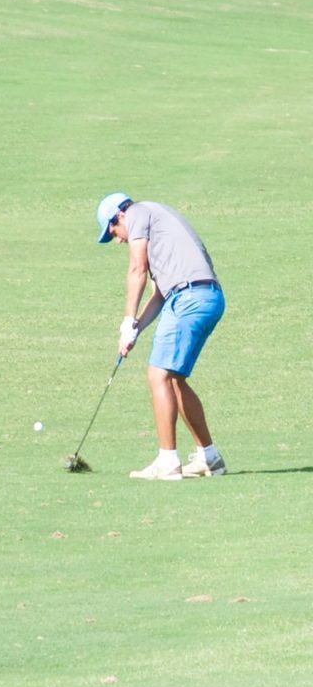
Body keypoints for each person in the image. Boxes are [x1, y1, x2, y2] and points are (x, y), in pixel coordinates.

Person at [96, 192, 226, 480]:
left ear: (119, 216)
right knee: (174, 379)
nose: (117, 239)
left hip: (189, 298)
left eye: (113, 231)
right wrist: (135, 329)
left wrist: (127, 319)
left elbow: (137, 269)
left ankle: (167, 461)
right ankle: (209, 457)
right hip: (207, 297)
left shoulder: (138, 213)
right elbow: (159, 296)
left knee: (158, 376)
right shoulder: (160, 223)